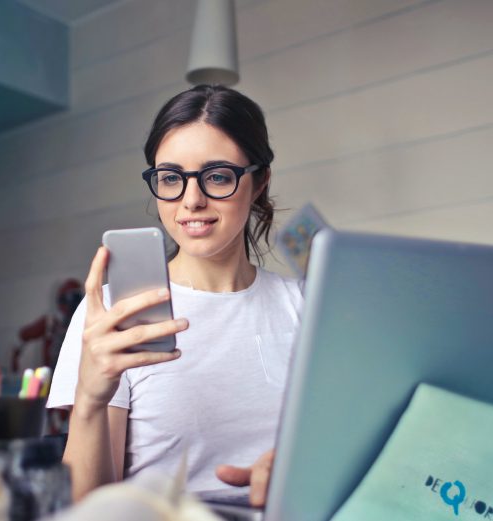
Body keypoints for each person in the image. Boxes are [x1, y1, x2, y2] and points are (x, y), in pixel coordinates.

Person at [47, 85, 304, 507]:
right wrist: (91, 399)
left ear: (259, 182)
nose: (191, 200)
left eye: (217, 176)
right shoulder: (114, 314)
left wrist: (302, 470)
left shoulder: (305, 308)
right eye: (171, 178)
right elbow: (88, 509)